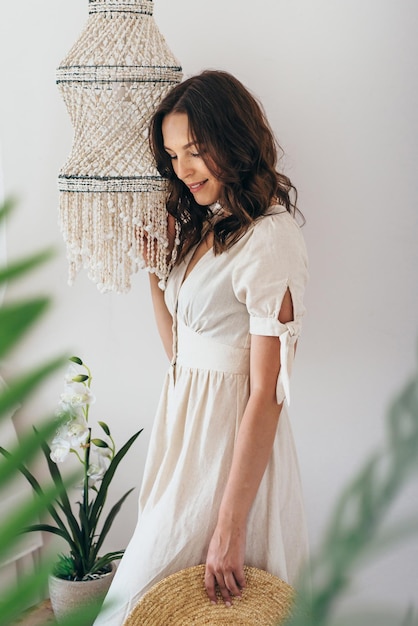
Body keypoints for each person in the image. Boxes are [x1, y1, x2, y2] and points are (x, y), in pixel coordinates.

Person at [94, 69, 309, 625]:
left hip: (228, 450)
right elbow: (179, 355)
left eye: (195, 150)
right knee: (147, 607)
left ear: (233, 140)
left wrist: (230, 525)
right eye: (172, 155)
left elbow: (267, 392)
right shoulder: (209, 230)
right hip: (183, 439)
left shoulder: (270, 236)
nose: (182, 169)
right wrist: (155, 269)